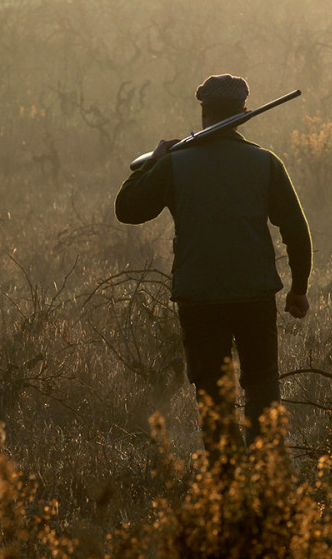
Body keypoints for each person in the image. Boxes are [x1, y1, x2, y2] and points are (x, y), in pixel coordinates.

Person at [114, 74, 312, 451]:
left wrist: (154, 162)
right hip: (254, 295)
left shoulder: (174, 165)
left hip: (199, 298)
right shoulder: (265, 162)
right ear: (243, 112)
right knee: (262, 387)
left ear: (203, 111)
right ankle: (267, 477)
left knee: (212, 397)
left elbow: (127, 209)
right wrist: (299, 289)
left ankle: (225, 488)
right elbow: (297, 231)